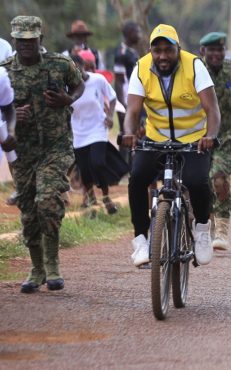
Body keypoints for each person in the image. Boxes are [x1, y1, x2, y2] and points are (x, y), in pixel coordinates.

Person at [121, 24, 221, 267]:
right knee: (137, 178)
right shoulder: (141, 67)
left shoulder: (195, 65)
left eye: (169, 50)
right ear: (151, 51)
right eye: (158, 51)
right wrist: (128, 133)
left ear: (178, 49)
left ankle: (202, 229)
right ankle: (141, 239)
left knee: (197, 181)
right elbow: (133, 110)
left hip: (194, 139)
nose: (163, 56)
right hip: (156, 138)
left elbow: (212, 110)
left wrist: (210, 136)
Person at [5, 16, 85, 293]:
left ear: (41, 39)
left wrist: (68, 99)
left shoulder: (59, 64)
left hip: (56, 146)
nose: (26, 44)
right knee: (28, 212)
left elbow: (79, 84)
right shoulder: (4, 72)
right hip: (23, 151)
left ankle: (52, 265)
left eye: (31, 39)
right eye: (20, 39)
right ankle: (36, 268)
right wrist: (13, 117)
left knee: (48, 200)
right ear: (13, 40)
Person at [199, 32, 231, 251]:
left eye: (220, 50)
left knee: (218, 178)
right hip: (198, 137)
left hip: (225, 136)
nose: (217, 54)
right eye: (212, 51)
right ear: (203, 52)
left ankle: (221, 229)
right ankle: (205, 223)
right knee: (199, 183)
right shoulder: (196, 71)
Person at [71, 49, 128, 213]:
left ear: (83, 67)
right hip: (78, 132)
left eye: (78, 69)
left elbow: (111, 97)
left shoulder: (98, 80)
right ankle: (89, 197)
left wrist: (110, 116)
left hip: (97, 128)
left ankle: (106, 196)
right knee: (84, 168)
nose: (76, 74)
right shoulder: (67, 87)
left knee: (98, 163)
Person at [112, 21, 142, 126]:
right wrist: (122, 106)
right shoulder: (122, 53)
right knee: (127, 135)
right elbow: (119, 81)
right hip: (127, 100)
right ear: (130, 33)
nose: (140, 36)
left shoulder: (131, 52)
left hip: (135, 98)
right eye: (137, 32)